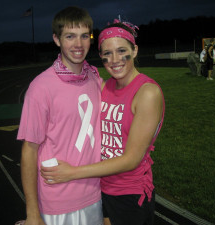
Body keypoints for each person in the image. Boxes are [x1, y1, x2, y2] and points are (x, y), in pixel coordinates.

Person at [41, 18, 165, 225]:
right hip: (100, 188)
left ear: (134, 51)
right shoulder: (104, 87)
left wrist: (72, 173)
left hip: (129, 194)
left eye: (121, 51)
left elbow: (131, 160)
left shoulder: (147, 93)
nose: (115, 59)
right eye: (107, 53)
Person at [17, 6, 103, 225]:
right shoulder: (41, 87)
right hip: (58, 203)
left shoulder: (94, 78)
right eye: (70, 36)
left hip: (95, 194)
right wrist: (32, 213)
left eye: (84, 36)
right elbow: (29, 151)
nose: (78, 44)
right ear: (56, 39)